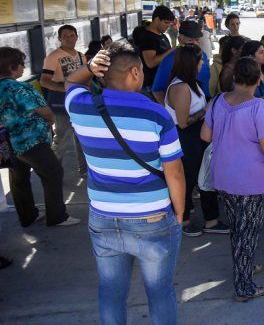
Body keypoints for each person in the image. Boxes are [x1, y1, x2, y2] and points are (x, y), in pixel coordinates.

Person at [64, 41, 186, 325]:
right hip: (153, 216)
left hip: (104, 216)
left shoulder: (81, 107)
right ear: (134, 72)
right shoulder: (157, 113)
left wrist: (90, 69)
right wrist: (179, 212)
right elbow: (175, 172)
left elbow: (71, 81)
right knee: (159, 292)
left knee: (110, 290)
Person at [200, 56, 264, 302]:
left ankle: (245, 265)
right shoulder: (259, 107)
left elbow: (205, 135)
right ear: (257, 78)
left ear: (235, 76)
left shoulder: (218, 101)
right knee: (248, 231)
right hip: (251, 180)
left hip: (223, 176)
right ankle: (244, 287)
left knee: (237, 229)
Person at [0, 47, 79, 228]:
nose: (23, 68)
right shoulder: (19, 88)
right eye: (21, 64)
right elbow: (45, 112)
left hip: (8, 142)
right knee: (53, 172)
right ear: (12, 67)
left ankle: (27, 216)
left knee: (19, 177)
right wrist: (49, 121)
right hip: (30, 140)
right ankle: (57, 216)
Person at [164, 44, 227, 237]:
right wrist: (206, 110)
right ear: (191, 63)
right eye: (200, 61)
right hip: (186, 138)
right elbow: (183, 123)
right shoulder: (181, 87)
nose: (203, 64)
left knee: (204, 178)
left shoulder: (191, 83)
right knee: (189, 179)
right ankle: (183, 221)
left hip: (197, 138)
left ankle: (209, 219)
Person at [40, 24, 88, 177]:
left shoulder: (81, 56)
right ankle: (53, 171)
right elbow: (44, 81)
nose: (69, 39)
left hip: (79, 101)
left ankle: (85, 170)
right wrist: (66, 88)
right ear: (59, 38)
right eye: (65, 36)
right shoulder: (53, 56)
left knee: (82, 137)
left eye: (72, 35)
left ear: (77, 37)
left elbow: (86, 78)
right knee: (62, 138)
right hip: (60, 102)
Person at [152, 20, 211, 103]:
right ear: (180, 39)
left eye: (197, 40)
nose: (194, 44)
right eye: (190, 40)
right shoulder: (170, 59)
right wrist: (170, 112)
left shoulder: (202, 55)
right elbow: (157, 91)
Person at [134, 5, 174, 92]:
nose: (168, 26)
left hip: (161, 82)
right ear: (157, 20)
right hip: (151, 85)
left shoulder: (162, 35)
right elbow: (150, 63)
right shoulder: (147, 37)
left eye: (169, 24)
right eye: (166, 22)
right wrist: (170, 51)